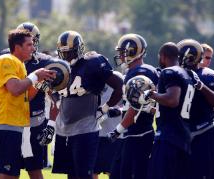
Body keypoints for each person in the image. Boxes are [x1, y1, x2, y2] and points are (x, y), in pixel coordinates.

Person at [51, 30, 123, 179]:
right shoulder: (60, 68)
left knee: (85, 175)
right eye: (63, 53)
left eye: (70, 52)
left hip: (86, 129)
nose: (66, 56)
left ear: (79, 49)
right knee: (71, 175)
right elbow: (47, 87)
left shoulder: (92, 63)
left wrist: (104, 108)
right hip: (64, 130)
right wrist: (57, 100)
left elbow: (119, 86)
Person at [0, 29, 56, 179]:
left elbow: (26, 97)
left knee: (12, 175)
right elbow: (15, 89)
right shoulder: (7, 60)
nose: (33, 48)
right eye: (29, 44)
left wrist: (40, 81)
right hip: (6, 125)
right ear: (17, 47)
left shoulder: (19, 64)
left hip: (14, 127)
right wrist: (35, 76)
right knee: (7, 175)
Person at [141, 42, 196, 179]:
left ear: (163, 56)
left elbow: (172, 100)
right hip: (184, 136)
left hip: (169, 137)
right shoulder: (188, 74)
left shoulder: (169, 71)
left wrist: (151, 94)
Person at [109, 33, 159, 179]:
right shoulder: (141, 70)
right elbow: (138, 104)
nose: (120, 55)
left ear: (132, 52)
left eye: (122, 52)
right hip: (136, 132)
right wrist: (118, 111)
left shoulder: (138, 73)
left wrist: (117, 130)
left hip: (137, 134)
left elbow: (135, 108)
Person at [177, 39, 214, 179]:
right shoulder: (174, 73)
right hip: (180, 133)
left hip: (204, 131)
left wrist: (201, 86)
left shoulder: (208, 75)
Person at [93, 78, 123, 179]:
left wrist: (118, 110)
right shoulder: (88, 77)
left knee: (113, 171)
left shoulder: (118, 78)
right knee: (91, 172)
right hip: (94, 133)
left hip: (113, 133)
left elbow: (129, 102)